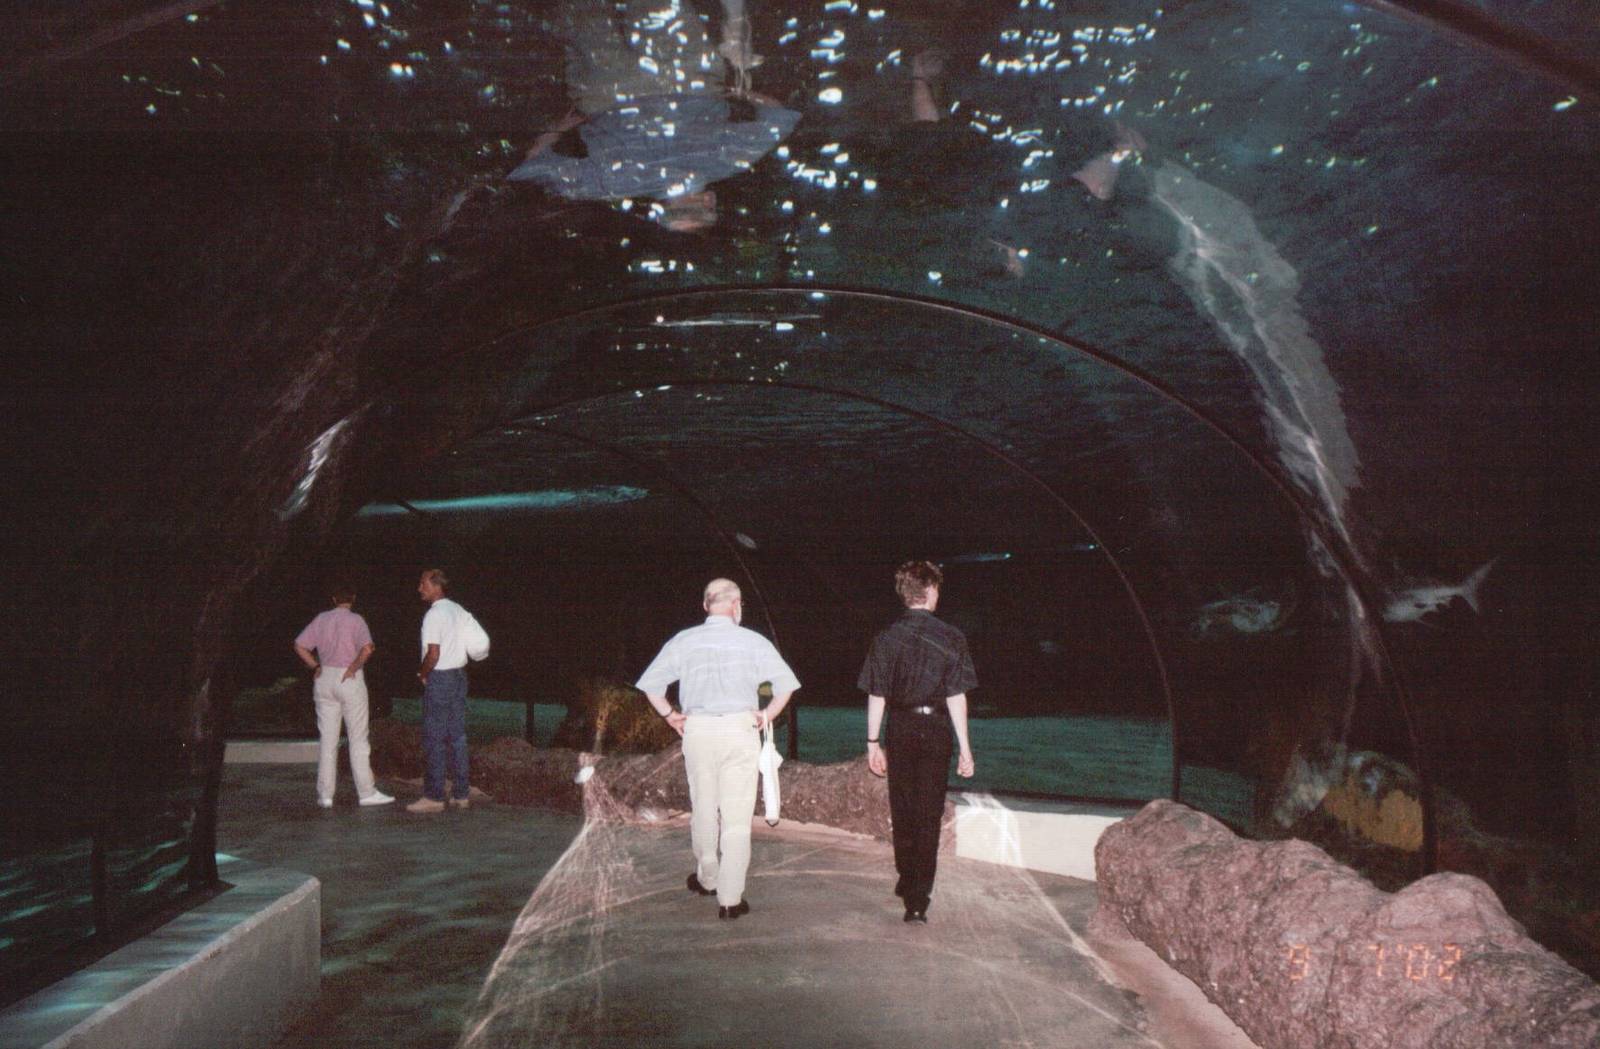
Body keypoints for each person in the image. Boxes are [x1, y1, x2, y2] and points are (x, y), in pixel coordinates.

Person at [507, 0, 799, 232]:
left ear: (710, 200)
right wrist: (563, 125)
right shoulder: (609, 185)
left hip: (687, 77)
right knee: (584, 11)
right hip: (607, 92)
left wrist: (735, 91)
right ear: (661, 208)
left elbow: (777, 116)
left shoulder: (731, 160)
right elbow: (532, 166)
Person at [636, 578, 798, 919]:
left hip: (698, 731)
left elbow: (651, 685)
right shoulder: (753, 641)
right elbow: (786, 684)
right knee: (736, 816)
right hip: (740, 729)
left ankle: (707, 876)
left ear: (706, 605)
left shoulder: (685, 640)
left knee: (704, 805)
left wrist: (671, 716)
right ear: (737, 605)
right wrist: (766, 714)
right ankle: (730, 898)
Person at [859, 560, 977, 923]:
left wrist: (872, 742)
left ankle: (907, 875)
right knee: (928, 813)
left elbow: (877, 694)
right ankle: (917, 896)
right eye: (937, 589)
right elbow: (957, 696)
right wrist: (965, 749)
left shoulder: (886, 637)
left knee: (904, 807)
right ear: (929, 592)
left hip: (901, 727)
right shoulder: (951, 636)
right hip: (936, 730)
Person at [293, 585, 393, 809]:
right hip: (349, 680)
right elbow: (367, 649)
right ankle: (366, 792)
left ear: (334, 598)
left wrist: (314, 665)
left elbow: (299, 645)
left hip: (324, 677)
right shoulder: (357, 620)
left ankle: (325, 796)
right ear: (353, 599)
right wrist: (353, 668)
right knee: (358, 738)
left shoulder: (322, 618)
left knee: (328, 740)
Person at [407, 569, 475, 814]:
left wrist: (423, 673)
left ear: (436, 586)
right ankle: (461, 794)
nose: (419, 588)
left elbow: (433, 653)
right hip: (459, 676)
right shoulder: (457, 610)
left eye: (422, 583)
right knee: (457, 737)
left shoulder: (434, 615)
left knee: (434, 738)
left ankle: (434, 796)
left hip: (441, 677)